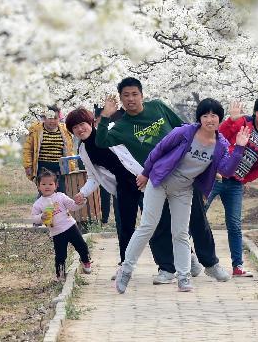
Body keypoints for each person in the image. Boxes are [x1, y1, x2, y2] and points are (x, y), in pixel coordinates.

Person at [93, 77, 231, 284]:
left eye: (135, 94)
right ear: (121, 99)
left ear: (142, 95)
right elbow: (101, 141)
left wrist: (207, 162)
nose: (131, 99)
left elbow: (183, 127)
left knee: (197, 220)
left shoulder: (157, 107)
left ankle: (210, 264)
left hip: (184, 174)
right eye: (126, 96)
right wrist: (105, 116)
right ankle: (167, 268)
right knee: (157, 224)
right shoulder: (121, 127)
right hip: (155, 178)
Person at [115, 99, 250, 293]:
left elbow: (227, 170)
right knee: (148, 226)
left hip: (183, 190)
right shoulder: (185, 132)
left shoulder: (220, 144)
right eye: (205, 115)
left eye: (214, 115)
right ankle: (126, 271)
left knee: (180, 232)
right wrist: (145, 173)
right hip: (159, 182)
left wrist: (239, 148)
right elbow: (158, 150)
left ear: (220, 118)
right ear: (200, 118)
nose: (209, 119)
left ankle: (184, 277)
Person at [66, 107, 148, 273]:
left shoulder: (111, 131)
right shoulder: (83, 150)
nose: (80, 129)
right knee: (124, 227)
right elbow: (93, 177)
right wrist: (82, 193)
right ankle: (126, 266)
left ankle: (178, 261)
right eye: (75, 128)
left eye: (82, 124)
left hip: (143, 179)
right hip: (123, 187)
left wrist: (147, 172)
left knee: (158, 222)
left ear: (91, 122)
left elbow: (139, 148)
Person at [206, 96, 258, 277]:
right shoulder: (243, 122)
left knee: (234, 224)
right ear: (255, 112)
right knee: (197, 215)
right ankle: (186, 258)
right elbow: (220, 135)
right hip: (215, 176)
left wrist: (244, 179)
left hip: (235, 185)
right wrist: (232, 119)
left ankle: (237, 266)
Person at [30, 168, 91, 280]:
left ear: (56, 185)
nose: (47, 186)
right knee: (60, 255)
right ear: (38, 186)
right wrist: (41, 217)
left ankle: (86, 261)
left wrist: (81, 203)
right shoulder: (38, 204)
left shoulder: (61, 196)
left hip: (71, 227)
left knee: (82, 245)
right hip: (56, 232)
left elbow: (72, 206)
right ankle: (60, 274)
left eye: (50, 184)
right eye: (43, 184)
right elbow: (34, 218)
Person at [23, 105, 77, 194]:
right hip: (42, 168)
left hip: (60, 169)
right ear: (44, 118)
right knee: (45, 194)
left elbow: (69, 151)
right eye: (50, 118)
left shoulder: (64, 130)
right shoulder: (36, 130)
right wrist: (28, 165)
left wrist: (71, 166)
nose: (52, 121)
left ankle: (59, 208)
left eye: (55, 118)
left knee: (61, 194)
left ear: (59, 119)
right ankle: (42, 208)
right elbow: (28, 149)